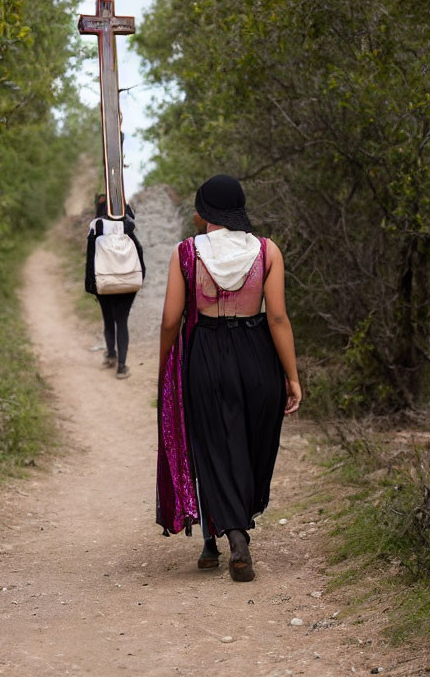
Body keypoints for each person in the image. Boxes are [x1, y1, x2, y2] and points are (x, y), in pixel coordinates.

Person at [156, 174, 302, 582]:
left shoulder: (186, 253)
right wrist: (291, 376)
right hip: (257, 354)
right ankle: (234, 528)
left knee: (212, 446)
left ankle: (224, 536)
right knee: (251, 443)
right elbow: (276, 317)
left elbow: (171, 319)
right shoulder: (266, 251)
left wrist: (165, 360)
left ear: (204, 211)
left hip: (206, 353)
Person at [85, 194, 145, 379]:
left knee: (108, 319)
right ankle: (121, 366)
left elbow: (90, 259)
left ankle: (111, 354)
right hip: (127, 283)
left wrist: (91, 286)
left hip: (104, 281)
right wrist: (139, 278)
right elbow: (140, 255)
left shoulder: (97, 227)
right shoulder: (128, 228)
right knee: (122, 321)